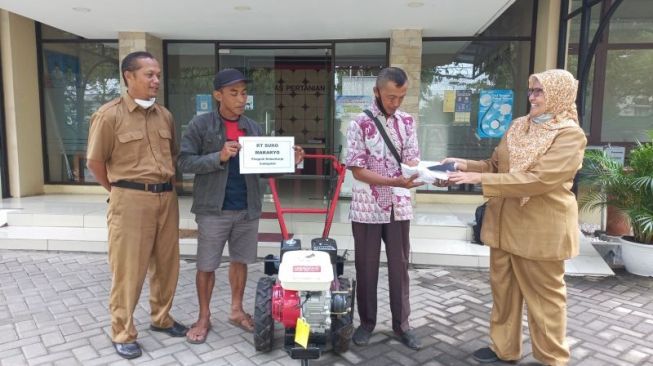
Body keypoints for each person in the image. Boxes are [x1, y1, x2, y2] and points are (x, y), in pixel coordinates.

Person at [442, 69, 587, 365]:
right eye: (531, 90)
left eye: (539, 91)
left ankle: (552, 358)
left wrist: (477, 178)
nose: (532, 97)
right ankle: (504, 349)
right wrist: (461, 164)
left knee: (545, 302)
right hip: (503, 225)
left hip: (540, 230)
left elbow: (540, 179)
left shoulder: (570, 135)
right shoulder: (519, 126)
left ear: (559, 94)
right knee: (504, 294)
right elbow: (495, 165)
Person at [178, 68, 305, 344]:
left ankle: (236, 311)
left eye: (244, 93)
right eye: (233, 93)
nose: (240, 98)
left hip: (247, 208)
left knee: (241, 261)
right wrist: (219, 156)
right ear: (217, 95)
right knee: (206, 264)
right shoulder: (200, 126)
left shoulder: (253, 127)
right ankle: (203, 316)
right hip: (213, 208)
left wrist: (288, 163)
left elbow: (264, 170)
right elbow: (184, 162)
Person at [86, 51, 187, 360]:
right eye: (149, 74)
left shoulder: (164, 115)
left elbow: (172, 155)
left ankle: (161, 318)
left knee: (167, 264)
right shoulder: (109, 115)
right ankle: (123, 330)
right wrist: (121, 190)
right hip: (130, 200)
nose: (156, 80)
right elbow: (95, 162)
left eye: (157, 74)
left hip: (166, 198)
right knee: (129, 269)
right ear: (129, 76)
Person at [345, 67, 423, 350]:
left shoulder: (407, 122)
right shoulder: (359, 123)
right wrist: (394, 180)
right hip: (367, 207)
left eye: (401, 97)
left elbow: (413, 159)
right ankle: (366, 324)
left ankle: (402, 325)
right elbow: (357, 169)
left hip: (399, 206)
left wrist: (424, 174)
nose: (396, 103)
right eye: (391, 97)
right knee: (366, 268)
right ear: (376, 91)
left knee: (400, 268)